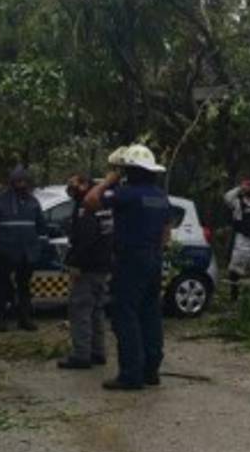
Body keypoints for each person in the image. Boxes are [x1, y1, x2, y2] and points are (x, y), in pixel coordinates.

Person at [83, 144, 172, 391]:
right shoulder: (160, 196)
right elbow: (166, 233)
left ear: (129, 171)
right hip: (154, 260)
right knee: (150, 313)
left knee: (126, 314)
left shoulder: (126, 194)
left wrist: (108, 180)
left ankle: (131, 374)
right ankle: (150, 371)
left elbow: (90, 201)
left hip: (130, 260)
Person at [58, 174, 114, 370]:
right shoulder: (103, 203)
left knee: (80, 310)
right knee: (96, 310)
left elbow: (85, 239)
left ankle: (81, 355)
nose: (71, 187)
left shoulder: (86, 206)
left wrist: (75, 264)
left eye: (74, 183)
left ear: (84, 184)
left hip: (87, 268)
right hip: (102, 266)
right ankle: (97, 351)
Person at [0, 165, 47, 332]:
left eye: (24, 181)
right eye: (18, 181)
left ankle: (24, 319)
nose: (21, 184)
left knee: (24, 287)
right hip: (4, 252)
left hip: (27, 253)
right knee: (0, 286)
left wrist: (38, 246)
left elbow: (41, 226)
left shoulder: (33, 202)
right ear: (11, 182)